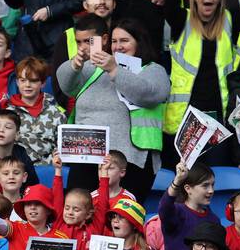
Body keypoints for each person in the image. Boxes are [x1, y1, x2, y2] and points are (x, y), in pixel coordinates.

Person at [57, 18, 169, 199]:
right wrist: (75, 64)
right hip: (86, 155)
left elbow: (150, 94)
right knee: (79, 216)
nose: (118, 46)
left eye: (125, 41)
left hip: (130, 160)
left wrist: (115, 71)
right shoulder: (95, 68)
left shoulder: (153, 70)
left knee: (121, 220)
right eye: (114, 41)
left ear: (139, 42)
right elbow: (66, 85)